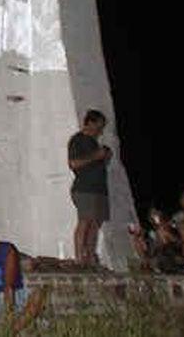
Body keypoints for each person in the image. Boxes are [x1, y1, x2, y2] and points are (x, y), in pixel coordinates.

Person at [66, 109, 111, 266]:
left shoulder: (93, 142)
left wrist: (105, 158)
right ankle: (79, 259)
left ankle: (90, 257)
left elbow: (96, 165)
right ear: (90, 123)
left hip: (99, 189)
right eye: (98, 126)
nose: (100, 130)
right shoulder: (78, 140)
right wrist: (96, 156)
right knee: (85, 221)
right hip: (84, 189)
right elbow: (73, 164)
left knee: (95, 223)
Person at [128, 206, 183, 274]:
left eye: (155, 214)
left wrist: (164, 235)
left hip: (170, 254)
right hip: (157, 254)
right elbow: (149, 245)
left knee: (161, 233)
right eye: (152, 215)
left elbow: (175, 241)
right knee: (138, 240)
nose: (153, 217)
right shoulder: (152, 231)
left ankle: (153, 265)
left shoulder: (168, 226)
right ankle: (146, 264)